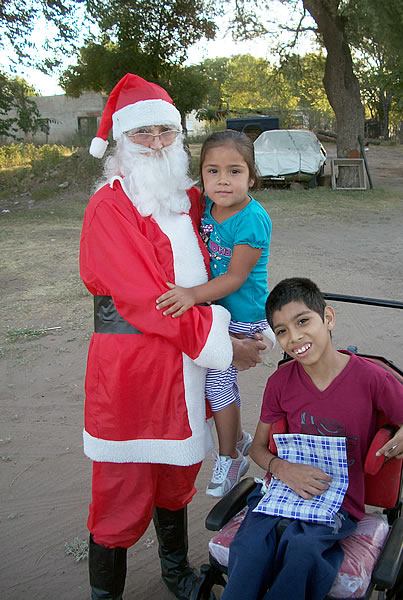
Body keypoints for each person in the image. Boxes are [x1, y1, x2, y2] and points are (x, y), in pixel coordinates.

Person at [80, 73, 266, 600]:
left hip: (185, 366)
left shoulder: (189, 199)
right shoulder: (110, 208)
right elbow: (145, 299)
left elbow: (236, 230)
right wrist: (225, 345)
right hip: (134, 369)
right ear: (121, 141)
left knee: (177, 472)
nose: (158, 144)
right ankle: (105, 595)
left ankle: (176, 570)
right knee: (121, 487)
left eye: (166, 132)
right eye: (144, 134)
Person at [222, 277, 403, 600]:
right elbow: (259, 448)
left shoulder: (371, 379)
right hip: (283, 488)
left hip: (338, 499)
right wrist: (282, 469)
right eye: (282, 331)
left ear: (329, 318)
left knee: (303, 552)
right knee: (249, 549)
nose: (294, 337)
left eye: (303, 321)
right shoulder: (280, 382)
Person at [156, 130, 274, 498]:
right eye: (213, 171)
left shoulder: (251, 219)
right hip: (216, 311)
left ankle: (231, 457)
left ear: (252, 178)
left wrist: (191, 295)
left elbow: (236, 277)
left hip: (240, 313)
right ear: (202, 176)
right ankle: (235, 439)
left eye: (235, 171)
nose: (223, 180)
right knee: (211, 384)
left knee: (218, 384)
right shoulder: (208, 207)